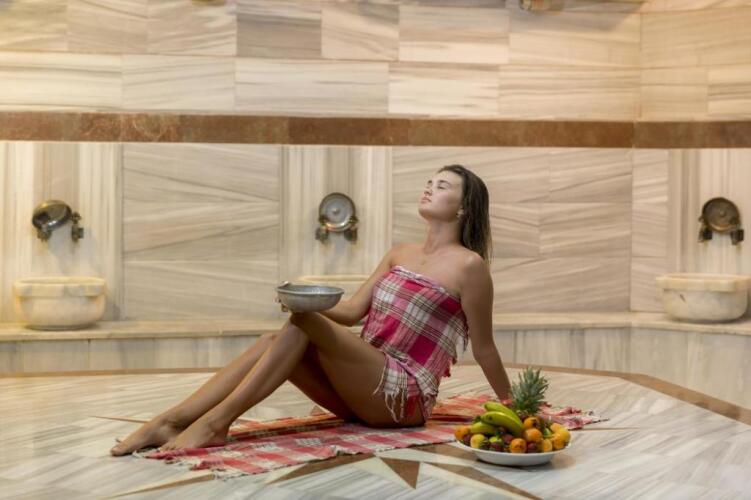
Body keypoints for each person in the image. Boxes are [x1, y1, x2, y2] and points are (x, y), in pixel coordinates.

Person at [110, 164, 512, 456]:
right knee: (275, 339)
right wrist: (303, 299)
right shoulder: (400, 253)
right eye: (429, 182)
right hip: (365, 387)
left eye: (442, 186)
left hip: (403, 397)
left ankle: (216, 423)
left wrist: (514, 406)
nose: (429, 188)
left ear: (463, 207)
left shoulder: (469, 267)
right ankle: (170, 421)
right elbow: (352, 311)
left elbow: (485, 349)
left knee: (302, 324)